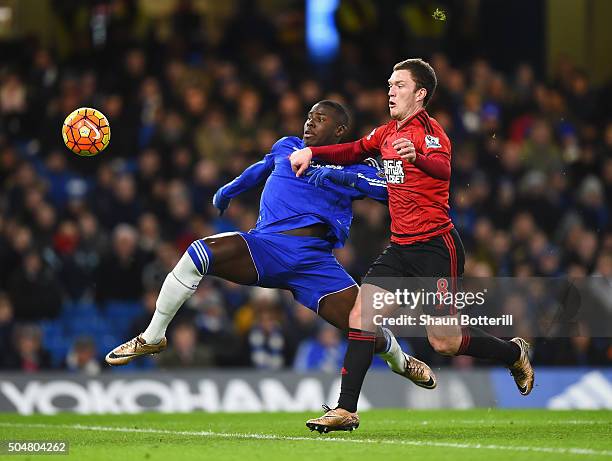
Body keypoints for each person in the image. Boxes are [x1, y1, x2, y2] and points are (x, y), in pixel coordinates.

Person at [105, 100, 436, 417]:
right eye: (309, 116)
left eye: (320, 119)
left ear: (340, 131)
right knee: (198, 253)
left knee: (363, 326)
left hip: (314, 263)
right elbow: (259, 169)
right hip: (265, 248)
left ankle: (399, 361)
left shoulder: (354, 163)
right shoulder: (287, 146)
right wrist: (229, 190)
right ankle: (153, 337)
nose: (310, 122)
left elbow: (390, 189)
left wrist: (341, 175)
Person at [290, 59, 535, 432]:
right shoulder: (386, 132)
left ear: (420, 94)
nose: (391, 90)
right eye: (389, 84)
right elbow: (354, 149)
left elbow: (443, 169)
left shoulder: (431, 132)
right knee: (361, 317)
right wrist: (313, 153)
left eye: (400, 85)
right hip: (400, 247)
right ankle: (345, 409)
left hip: (436, 247)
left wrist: (415, 156)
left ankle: (514, 353)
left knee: (444, 341)